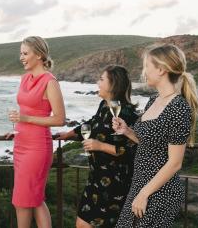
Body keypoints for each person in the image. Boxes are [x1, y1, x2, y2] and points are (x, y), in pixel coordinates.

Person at [113, 44, 198, 227]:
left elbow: (175, 163)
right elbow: (150, 142)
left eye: (147, 66)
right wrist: (128, 131)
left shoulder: (178, 107)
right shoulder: (153, 99)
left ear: (161, 70)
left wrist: (144, 194)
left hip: (159, 191)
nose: (144, 71)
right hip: (140, 184)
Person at [57, 65, 138, 227]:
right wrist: (69, 134)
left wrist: (100, 146)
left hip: (114, 183)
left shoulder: (126, 114)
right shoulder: (104, 106)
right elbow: (92, 124)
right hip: (96, 178)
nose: (97, 82)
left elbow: (132, 151)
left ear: (113, 84)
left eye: (101, 79)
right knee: (82, 223)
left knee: (86, 225)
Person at [6, 36, 65, 228]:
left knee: (22, 201)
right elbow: (26, 110)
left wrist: (26, 120)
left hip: (37, 148)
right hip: (20, 143)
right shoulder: (24, 78)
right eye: (20, 53)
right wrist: (16, 129)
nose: (21, 57)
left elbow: (59, 119)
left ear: (38, 55)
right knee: (36, 198)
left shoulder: (50, 82)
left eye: (25, 53)